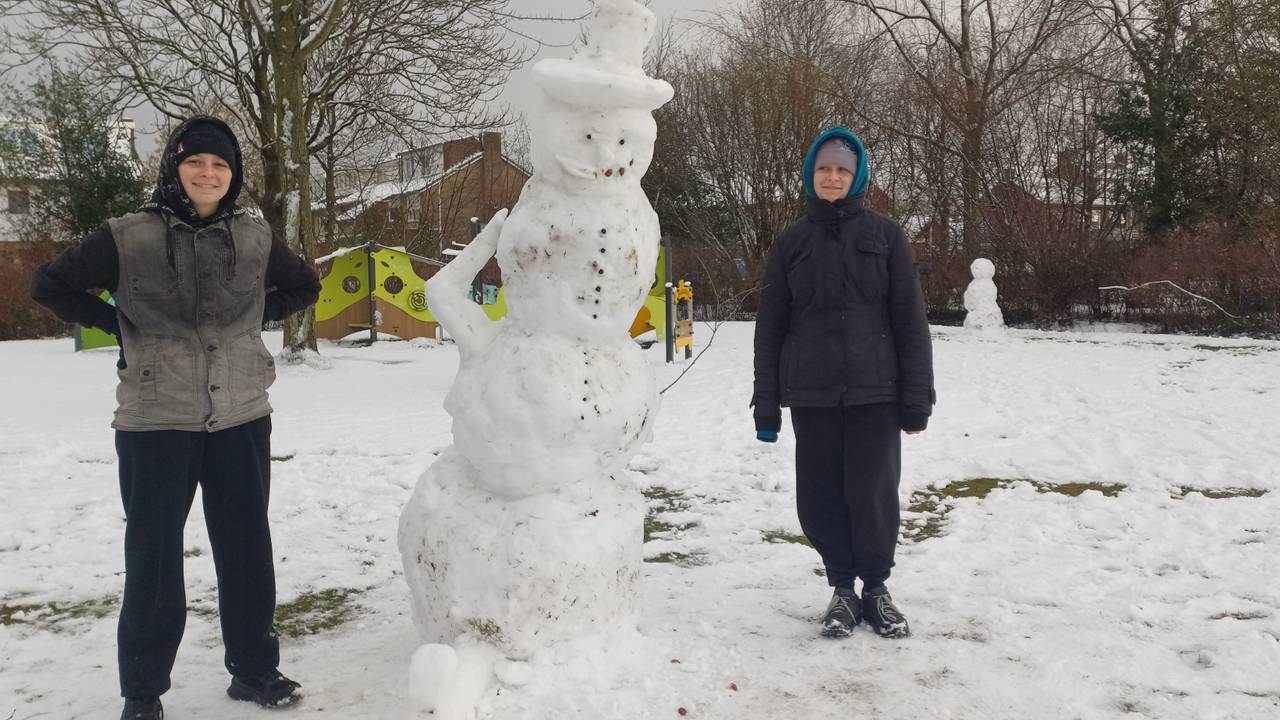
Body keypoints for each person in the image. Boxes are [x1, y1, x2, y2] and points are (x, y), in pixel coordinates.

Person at [30, 115, 322, 719]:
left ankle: (254, 670)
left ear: (232, 174)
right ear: (175, 168)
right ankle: (143, 692)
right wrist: (120, 325)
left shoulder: (255, 235)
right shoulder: (127, 235)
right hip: (155, 420)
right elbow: (51, 285)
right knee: (154, 557)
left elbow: (304, 286)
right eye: (196, 163)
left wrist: (251, 321)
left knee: (246, 546)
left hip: (240, 414)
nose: (208, 174)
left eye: (220, 165)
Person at [752, 126, 935, 639]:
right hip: (811, 394)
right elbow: (771, 326)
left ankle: (876, 589)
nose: (832, 177)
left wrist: (916, 398)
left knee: (874, 493)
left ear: (858, 179)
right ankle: (841, 591)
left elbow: (909, 321)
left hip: (877, 391)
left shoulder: (886, 236)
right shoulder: (792, 242)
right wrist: (766, 405)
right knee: (820, 496)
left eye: (842, 170)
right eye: (824, 169)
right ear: (812, 176)